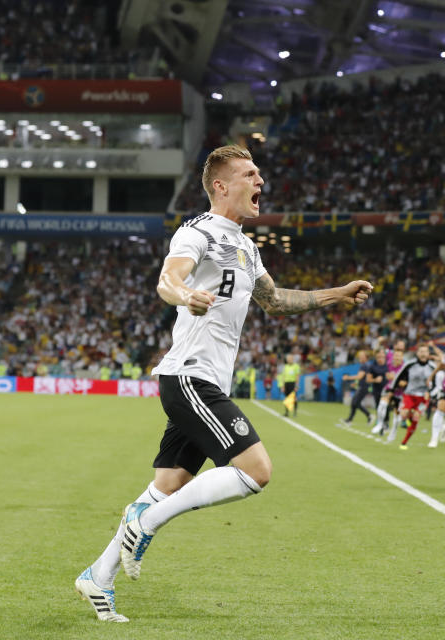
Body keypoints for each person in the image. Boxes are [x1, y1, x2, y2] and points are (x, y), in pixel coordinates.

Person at [74, 144, 372, 622]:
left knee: (168, 485)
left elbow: (275, 302)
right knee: (256, 470)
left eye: (259, 174)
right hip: (190, 376)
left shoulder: (247, 246)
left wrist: (338, 294)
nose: (260, 182)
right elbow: (168, 279)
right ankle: (143, 524)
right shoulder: (200, 231)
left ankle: (98, 576)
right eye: (250, 175)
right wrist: (185, 295)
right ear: (220, 185)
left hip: (205, 380)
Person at [397, 344, 437, 450]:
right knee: (404, 413)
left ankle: (404, 442)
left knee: (416, 417)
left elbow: (437, 383)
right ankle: (407, 418)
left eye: (425, 351)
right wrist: (393, 389)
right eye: (421, 351)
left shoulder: (433, 367)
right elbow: (399, 376)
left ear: (429, 354)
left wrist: (431, 392)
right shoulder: (410, 364)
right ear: (417, 353)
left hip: (423, 397)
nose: (423, 353)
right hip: (409, 394)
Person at [341, 350, 374, 426]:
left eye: (362, 356)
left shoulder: (364, 365)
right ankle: (367, 416)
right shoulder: (366, 365)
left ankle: (368, 416)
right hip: (363, 386)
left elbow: (360, 376)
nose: (360, 357)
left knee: (355, 403)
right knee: (355, 403)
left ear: (366, 357)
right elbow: (362, 377)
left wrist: (347, 377)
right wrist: (355, 383)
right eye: (360, 356)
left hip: (363, 387)